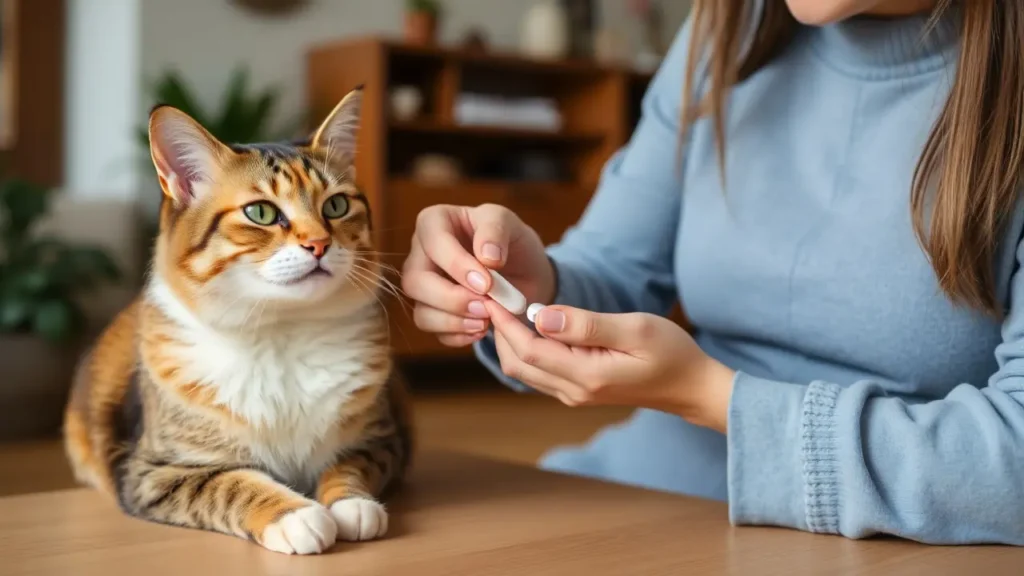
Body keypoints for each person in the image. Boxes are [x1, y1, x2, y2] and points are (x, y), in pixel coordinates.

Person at [400, 0, 1024, 545]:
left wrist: (711, 398)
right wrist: (533, 285)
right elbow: (613, 266)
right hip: (627, 497)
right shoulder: (727, 26)